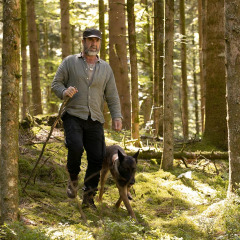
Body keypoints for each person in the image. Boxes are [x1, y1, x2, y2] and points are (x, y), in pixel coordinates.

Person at [51, 28, 122, 208]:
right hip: (73, 115)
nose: (93, 44)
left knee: (97, 157)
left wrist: (117, 116)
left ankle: (89, 197)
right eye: (90, 40)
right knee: (75, 147)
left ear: (100, 43)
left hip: (96, 118)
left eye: (97, 41)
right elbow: (56, 84)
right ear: (83, 41)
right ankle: (73, 178)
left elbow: (112, 95)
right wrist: (64, 91)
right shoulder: (69, 62)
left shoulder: (105, 68)